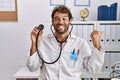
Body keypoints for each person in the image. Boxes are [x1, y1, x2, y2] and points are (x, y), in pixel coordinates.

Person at [26, 5, 105, 80]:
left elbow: (93, 69)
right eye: (56, 18)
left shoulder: (80, 43)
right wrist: (34, 42)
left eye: (64, 18)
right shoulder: (43, 42)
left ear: (70, 21)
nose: (60, 22)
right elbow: (32, 67)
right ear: (52, 22)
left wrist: (96, 44)